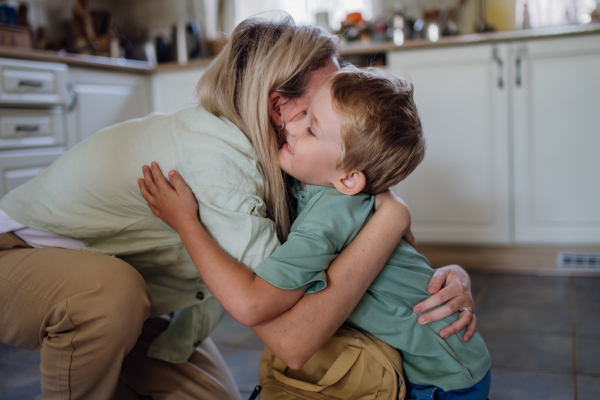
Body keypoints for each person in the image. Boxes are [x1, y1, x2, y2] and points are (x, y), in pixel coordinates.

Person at [0, 14, 476, 400]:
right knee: (110, 297)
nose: (338, 114)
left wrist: (446, 278)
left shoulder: (287, 158)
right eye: (320, 110)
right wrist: (392, 216)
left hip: (147, 298)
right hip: (17, 253)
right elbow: (291, 339)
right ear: (278, 109)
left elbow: (354, 236)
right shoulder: (218, 163)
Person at [138, 66, 491, 400]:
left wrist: (186, 223)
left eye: (311, 129)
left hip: (444, 380)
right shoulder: (331, 183)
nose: (292, 124)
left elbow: (252, 303)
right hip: (447, 356)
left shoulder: (331, 215)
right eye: (304, 113)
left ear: (349, 179)